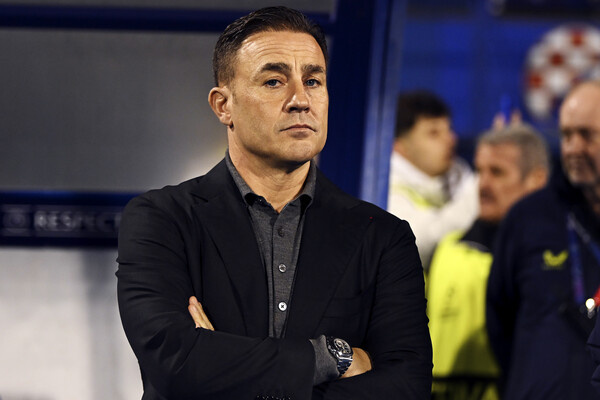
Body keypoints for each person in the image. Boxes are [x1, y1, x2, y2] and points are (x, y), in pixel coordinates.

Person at [116, 6, 432, 400]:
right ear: (223, 105)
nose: (301, 100)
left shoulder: (383, 236)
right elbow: (177, 362)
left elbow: (406, 387)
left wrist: (223, 367)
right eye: (273, 81)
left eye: (313, 81)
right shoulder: (162, 220)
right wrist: (333, 356)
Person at [487, 81, 600, 400]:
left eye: (586, 135)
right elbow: (499, 320)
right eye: (566, 135)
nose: (573, 149)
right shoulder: (528, 217)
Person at [427, 124, 549, 399]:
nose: (483, 184)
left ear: (536, 179)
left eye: (497, 172)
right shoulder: (447, 248)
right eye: (480, 171)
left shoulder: (554, 258)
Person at [387, 90, 478, 269]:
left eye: (449, 129)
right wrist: (483, 190)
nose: (451, 139)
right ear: (399, 146)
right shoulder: (387, 191)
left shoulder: (459, 177)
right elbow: (418, 242)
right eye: (433, 133)